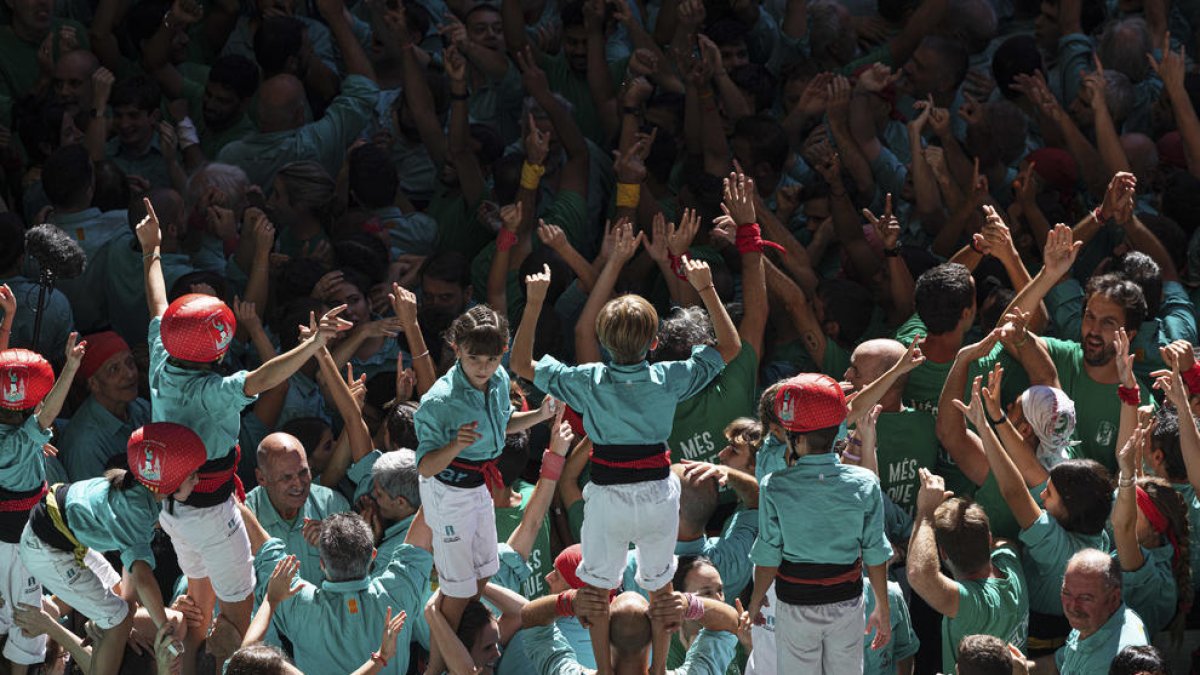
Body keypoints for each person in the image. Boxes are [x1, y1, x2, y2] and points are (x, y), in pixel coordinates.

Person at [138, 195, 352, 644]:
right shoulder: (210, 393)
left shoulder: (163, 353)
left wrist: (151, 250)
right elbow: (264, 377)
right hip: (213, 513)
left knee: (198, 608)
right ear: (214, 351)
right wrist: (313, 345)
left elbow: (158, 301)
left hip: (174, 511)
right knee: (235, 619)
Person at [413, 302, 556, 650]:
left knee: (483, 572)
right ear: (457, 348)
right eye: (475, 358)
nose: (483, 367)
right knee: (458, 588)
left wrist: (540, 414)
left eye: (491, 359)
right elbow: (425, 466)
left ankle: (463, 646)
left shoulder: (499, 379)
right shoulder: (439, 400)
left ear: (502, 352)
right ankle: (439, 663)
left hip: (480, 485)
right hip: (448, 490)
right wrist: (453, 446)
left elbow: (502, 425)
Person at [18, 422, 207, 675]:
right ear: (167, 481)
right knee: (117, 618)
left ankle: (107, 631)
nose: (197, 479)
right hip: (47, 549)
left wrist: (128, 619)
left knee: (122, 613)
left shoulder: (143, 494)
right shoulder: (136, 509)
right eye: (191, 474)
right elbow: (141, 574)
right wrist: (163, 628)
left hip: (68, 542)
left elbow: (132, 573)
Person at [747, 372, 893, 673]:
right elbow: (875, 551)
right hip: (847, 604)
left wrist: (755, 601)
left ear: (796, 438)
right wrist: (883, 607)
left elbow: (769, 554)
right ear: (837, 433)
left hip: (794, 605)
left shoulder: (773, 485)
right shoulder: (866, 483)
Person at [0, 336, 84, 675]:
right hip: (21, 544)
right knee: (26, 615)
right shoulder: (17, 443)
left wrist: (7, 321)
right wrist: (71, 366)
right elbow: (47, 414)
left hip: (12, 538)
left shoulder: (20, 441)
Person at [906, 469, 1029, 672]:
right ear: (988, 539)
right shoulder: (1010, 561)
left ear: (943, 553)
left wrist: (926, 513)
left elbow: (919, 574)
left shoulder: (972, 605)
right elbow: (1005, 543)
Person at [55, 331, 151, 481]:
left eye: (130, 363)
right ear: (94, 384)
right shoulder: (84, 445)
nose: (130, 374)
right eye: (114, 369)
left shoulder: (141, 408)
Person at [1045, 549, 1149, 674]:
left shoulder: (1108, 662)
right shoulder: (1094, 621)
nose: (1073, 606)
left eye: (1085, 598)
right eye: (1066, 593)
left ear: (1113, 598)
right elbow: (1059, 663)